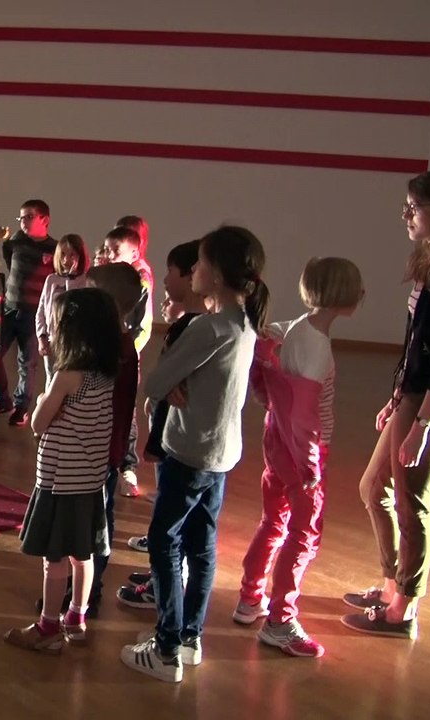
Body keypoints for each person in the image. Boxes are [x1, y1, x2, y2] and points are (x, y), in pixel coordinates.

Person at [342, 169, 430, 640]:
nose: (406, 214)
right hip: (414, 397)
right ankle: (390, 585)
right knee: (373, 489)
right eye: (407, 205)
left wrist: (422, 421)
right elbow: (418, 344)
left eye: (415, 207)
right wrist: (396, 398)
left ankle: (403, 609)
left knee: (411, 504)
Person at [120, 226, 268, 684]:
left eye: (200, 264)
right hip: (220, 455)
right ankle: (188, 638)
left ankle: (165, 649)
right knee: (202, 548)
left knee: (166, 543)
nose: (194, 270)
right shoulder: (243, 322)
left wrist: (172, 385)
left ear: (218, 273)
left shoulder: (209, 326)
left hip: (189, 453)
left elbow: (155, 382)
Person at [234, 257, 364, 659]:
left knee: (273, 521)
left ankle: (249, 599)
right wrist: (310, 466)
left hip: (276, 441)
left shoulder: (288, 329)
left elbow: (262, 381)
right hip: (300, 452)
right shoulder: (317, 349)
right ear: (343, 296)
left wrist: (269, 404)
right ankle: (279, 621)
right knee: (303, 534)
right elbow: (304, 417)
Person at [4, 287, 121, 654]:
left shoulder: (67, 376)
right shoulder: (105, 375)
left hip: (59, 483)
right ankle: (77, 617)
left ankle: (48, 626)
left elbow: (38, 423)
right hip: (88, 483)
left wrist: (40, 400)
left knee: (53, 560)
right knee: (82, 555)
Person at [120, 239, 210, 606]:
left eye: (172, 272)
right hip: (172, 432)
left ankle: (166, 589)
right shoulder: (187, 323)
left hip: (182, 438)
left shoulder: (198, 327)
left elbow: (162, 382)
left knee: (173, 527)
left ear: (190, 277)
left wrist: (163, 388)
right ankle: (164, 575)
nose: (167, 279)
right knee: (170, 509)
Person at [82, 262, 144, 615]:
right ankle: (85, 588)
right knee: (94, 520)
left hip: (98, 451)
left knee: (95, 525)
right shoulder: (116, 346)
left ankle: (88, 591)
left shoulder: (113, 350)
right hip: (101, 450)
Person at [96, 224, 155, 496]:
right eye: (107, 249)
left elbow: (142, 326)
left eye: (114, 250)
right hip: (104, 352)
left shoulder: (140, 283)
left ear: (133, 253)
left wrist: (127, 352)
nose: (108, 254)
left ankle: (127, 465)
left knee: (126, 412)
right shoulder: (108, 279)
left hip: (123, 356)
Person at [0, 199, 57, 427]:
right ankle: (2, 399)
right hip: (11, 309)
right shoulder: (16, 241)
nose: (23, 221)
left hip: (34, 315)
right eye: (21, 217)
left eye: (29, 216)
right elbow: (9, 259)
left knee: (27, 362)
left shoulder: (54, 249)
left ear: (45, 220)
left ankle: (21, 408)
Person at [36, 233, 91, 381]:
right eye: (63, 254)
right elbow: (41, 311)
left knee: (67, 380)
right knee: (51, 377)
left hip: (73, 343)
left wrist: (71, 279)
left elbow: (73, 307)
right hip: (52, 341)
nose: (66, 260)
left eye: (72, 255)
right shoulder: (51, 280)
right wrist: (42, 337)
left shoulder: (86, 281)